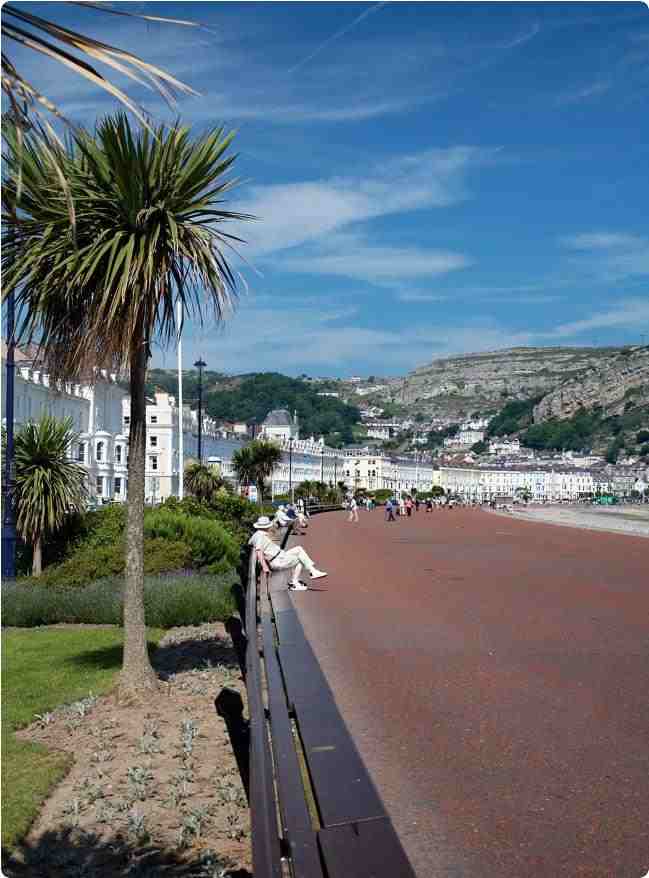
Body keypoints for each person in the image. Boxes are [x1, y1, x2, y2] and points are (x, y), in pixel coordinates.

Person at [249, 516, 327, 591]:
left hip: (280, 556)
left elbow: (251, 543)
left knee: (299, 549)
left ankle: (312, 571)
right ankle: (295, 582)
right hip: (277, 560)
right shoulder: (260, 536)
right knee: (299, 559)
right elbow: (259, 551)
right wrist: (265, 567)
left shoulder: (258, 534)